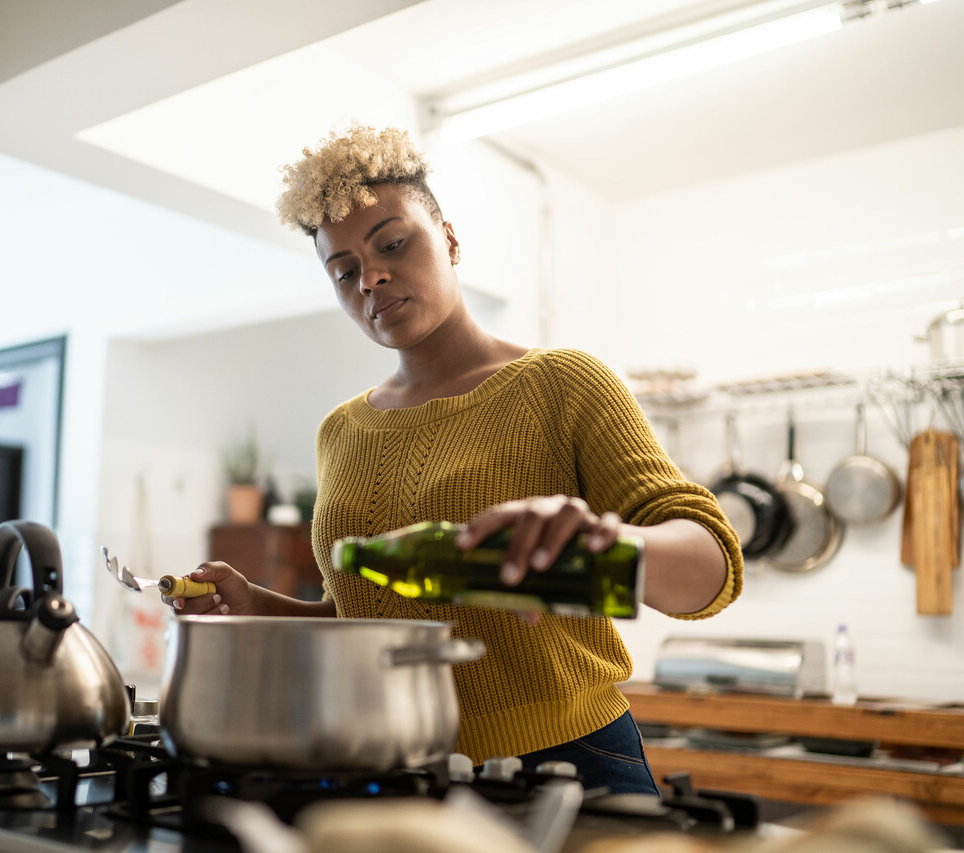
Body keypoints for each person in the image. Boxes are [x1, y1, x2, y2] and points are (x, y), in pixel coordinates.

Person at [163, 125, 742, 796]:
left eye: (393, 243)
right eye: (344, 271)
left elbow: (713, 563)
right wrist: (261, 606)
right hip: (386, 760)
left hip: (563, 764)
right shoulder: (339, 431)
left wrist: (609, 544)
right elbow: (374, 620)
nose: (371, 277)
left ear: (451, 240)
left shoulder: (563, 383)